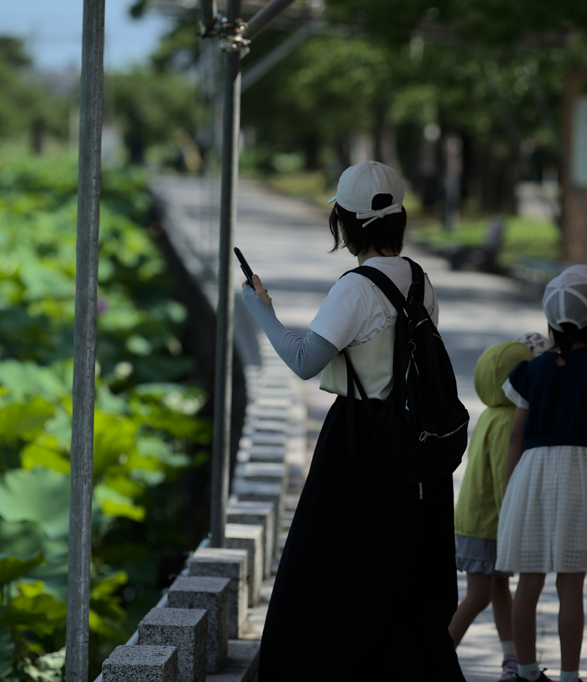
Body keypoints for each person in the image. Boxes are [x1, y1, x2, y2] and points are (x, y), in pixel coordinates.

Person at [241, 160, 466, 681]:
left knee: (328, 572)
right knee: (398, 576)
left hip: (360, 442)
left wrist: (260, 311)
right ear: (398, 219)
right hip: (413, 447)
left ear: (343, 222)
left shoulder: (356, 288)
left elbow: (304, 361)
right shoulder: (420, 280)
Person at [494, 265, 587, 682]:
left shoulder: (531, 372)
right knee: (570, 587)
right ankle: (570, 676)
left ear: (550, 324)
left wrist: (509, 492)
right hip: (585, 477)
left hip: (534, 476)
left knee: (529, 582)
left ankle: (525, 671)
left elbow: (515, 436)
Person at [448, 334, 550, 682]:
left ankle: (513, 658)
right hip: (490, 523)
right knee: (478, 597)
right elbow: (502, 477)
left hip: (475, 520)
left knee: (497, 590)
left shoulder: (492, 413)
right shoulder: (510, 421)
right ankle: (435, 657)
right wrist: (518, 517)